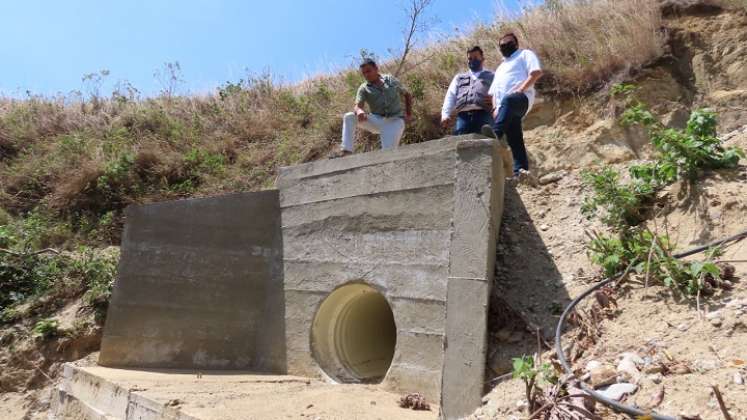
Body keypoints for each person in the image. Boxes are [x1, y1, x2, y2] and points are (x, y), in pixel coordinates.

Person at [481, 33, 543, 179]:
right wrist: (496, 108)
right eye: (501, 45)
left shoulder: (524, 54)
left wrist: (521, 89)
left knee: (509, 100)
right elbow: (494, 92)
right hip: (505, 108)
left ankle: (496, 135)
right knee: (515, 139)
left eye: (507, 44)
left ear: (515, 43)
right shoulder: (501, 67)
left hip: (521, 99)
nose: (504, 47)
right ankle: (520, 173)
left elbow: (536, 72)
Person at [330, 58, 413, 158]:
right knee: (349, 117)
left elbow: (407, 94)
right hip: (376, 120)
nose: (366, 75)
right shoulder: (364, 88)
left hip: (394, 121)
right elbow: (357, 106)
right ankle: (346, 150)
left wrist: (408, 115)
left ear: (376, 69)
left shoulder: (390, 80)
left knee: (388, 155)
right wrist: (360, 111)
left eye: (368, 71)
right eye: (364, 73)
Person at [441, 46, 495, 135]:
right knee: (461, 143)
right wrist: (445, 115)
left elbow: (502, 93)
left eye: (475, 58)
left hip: (485, 115)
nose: (472, 60)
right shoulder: (459, 78)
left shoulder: (493, 76)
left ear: (482, 58)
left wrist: (495, 99)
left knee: (486, 143)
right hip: (463, 118)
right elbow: (450, 96)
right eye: (470, 58)